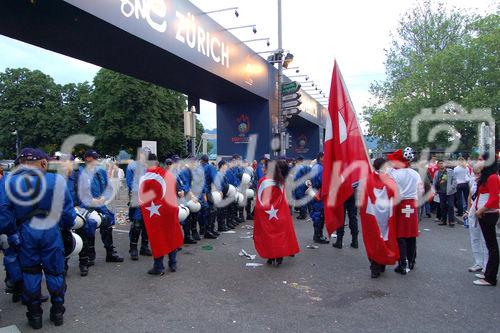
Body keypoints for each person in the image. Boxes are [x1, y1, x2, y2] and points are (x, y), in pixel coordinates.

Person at [0, 148, 76, 329]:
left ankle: (34, 316)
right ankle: (57, 312)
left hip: (25, 233)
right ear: (42, 163)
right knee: (55, 272)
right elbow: (68, 214)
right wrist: (65, 227)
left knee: (30, 272)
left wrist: (12, 232)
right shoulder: (56, 180)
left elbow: (3, 214)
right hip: (51, 231)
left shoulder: (8, 181)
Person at [139, 154, 184, 276]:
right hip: (170, 210)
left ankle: (159, 267)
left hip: (156, 211)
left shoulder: (146, 178)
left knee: (157, 236)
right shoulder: (168, 175)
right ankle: (173, 263)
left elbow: (142, 198)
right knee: (171, 234)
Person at [77, 150, 123, 264]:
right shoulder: (80, 173)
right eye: (94, 158)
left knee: (107, 225)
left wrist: (103, 198)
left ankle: (110, 253)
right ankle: (90, 255)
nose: (97, 160)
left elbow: (109, 188)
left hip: (100, 204)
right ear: (87, 158)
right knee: (89, 227)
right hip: (86, 205)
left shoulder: (101, 171)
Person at [253, 159, 300, 266]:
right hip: (281, 213)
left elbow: (260, 200)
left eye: (264, 167)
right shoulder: (281, 181)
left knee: (268, 235)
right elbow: (283, 199)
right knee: (279, 235)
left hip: (266, 214)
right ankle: (279, 256)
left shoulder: (263, 181)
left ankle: (270, 256)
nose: (262, 169)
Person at [359, 157, 399, 278]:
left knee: (373, 239)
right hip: (386, 216)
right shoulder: (390, 180)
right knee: (385, 238)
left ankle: (375, 266)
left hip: (372, 216)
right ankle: (381, 263)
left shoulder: (367, 180)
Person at [387, 148, 422, 275]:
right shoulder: (415, 173)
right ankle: (411, 261)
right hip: (412, 204)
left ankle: (402, 263)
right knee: (412, 234)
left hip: (400, 204)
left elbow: (390, 191)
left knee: (400, 235)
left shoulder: (394, 174)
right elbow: (421, 191)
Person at [472, 153, 499, 286]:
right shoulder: (486, 177)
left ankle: (490, 277)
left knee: (492, 246)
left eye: (481, 160)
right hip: (484, 214)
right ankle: (487, 273)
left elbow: (494, 198)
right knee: (489, 245)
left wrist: (481, 210)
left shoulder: (493, 177)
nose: (478, 162)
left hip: (488, 214)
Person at [125, 148, 152, 260]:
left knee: (147, 223)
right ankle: (133, 248)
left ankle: (144, 247)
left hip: (149, 198)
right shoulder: (132, 166)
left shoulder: (150, 166)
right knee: (137, 223)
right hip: (137, 197)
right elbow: (130, 183)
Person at [464, 165, 488, 273]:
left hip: (483, 212)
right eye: (475, 173)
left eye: (479, 173)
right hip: (473, 213)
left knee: (484, 240)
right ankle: (478, 262)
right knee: (474, 238)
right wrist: (468, 210)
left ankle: (486, 265)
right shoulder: (472, 181)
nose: (477, 175)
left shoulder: (487, 181)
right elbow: (470, 196)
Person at [309, 152, 329, 244]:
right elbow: (322, 182)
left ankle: (317, 235)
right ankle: (318, 236)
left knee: (317, 214)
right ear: (321, 158)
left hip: (315, 192)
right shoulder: (320, 168)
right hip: (319, 193)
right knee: (319, 215)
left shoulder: (315, 167)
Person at [433, 160, 457, 227]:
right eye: (440, 164)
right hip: (441, 192)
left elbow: (454, 180)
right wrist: (435, 190)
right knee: (442, 206)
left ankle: (451, 221)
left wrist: (452, 187)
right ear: (437, 165)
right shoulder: (437, 173)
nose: (441, 165)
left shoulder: (450, 171)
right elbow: (434, 182)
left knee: (450, 206)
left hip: (450, 192)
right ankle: (443, 220)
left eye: (442, 163)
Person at [199, 154, 218, 239]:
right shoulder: (210, 167)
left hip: (198, 192)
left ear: (201, 160)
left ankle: (204, 230)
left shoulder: (198, 168)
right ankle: (209, 230)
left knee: (202, 211)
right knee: (212, 210)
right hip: (206, 191)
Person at [214, 160, 230, 232]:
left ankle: (223, 224)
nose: (226, 166)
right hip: (220, 194)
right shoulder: (218, 174)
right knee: (220, 210)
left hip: (225, 193)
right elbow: (217, 184)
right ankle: (220, 225)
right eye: (225, 165)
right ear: (222, 166)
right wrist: (220, 191)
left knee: (224, 210)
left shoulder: (224, 174)